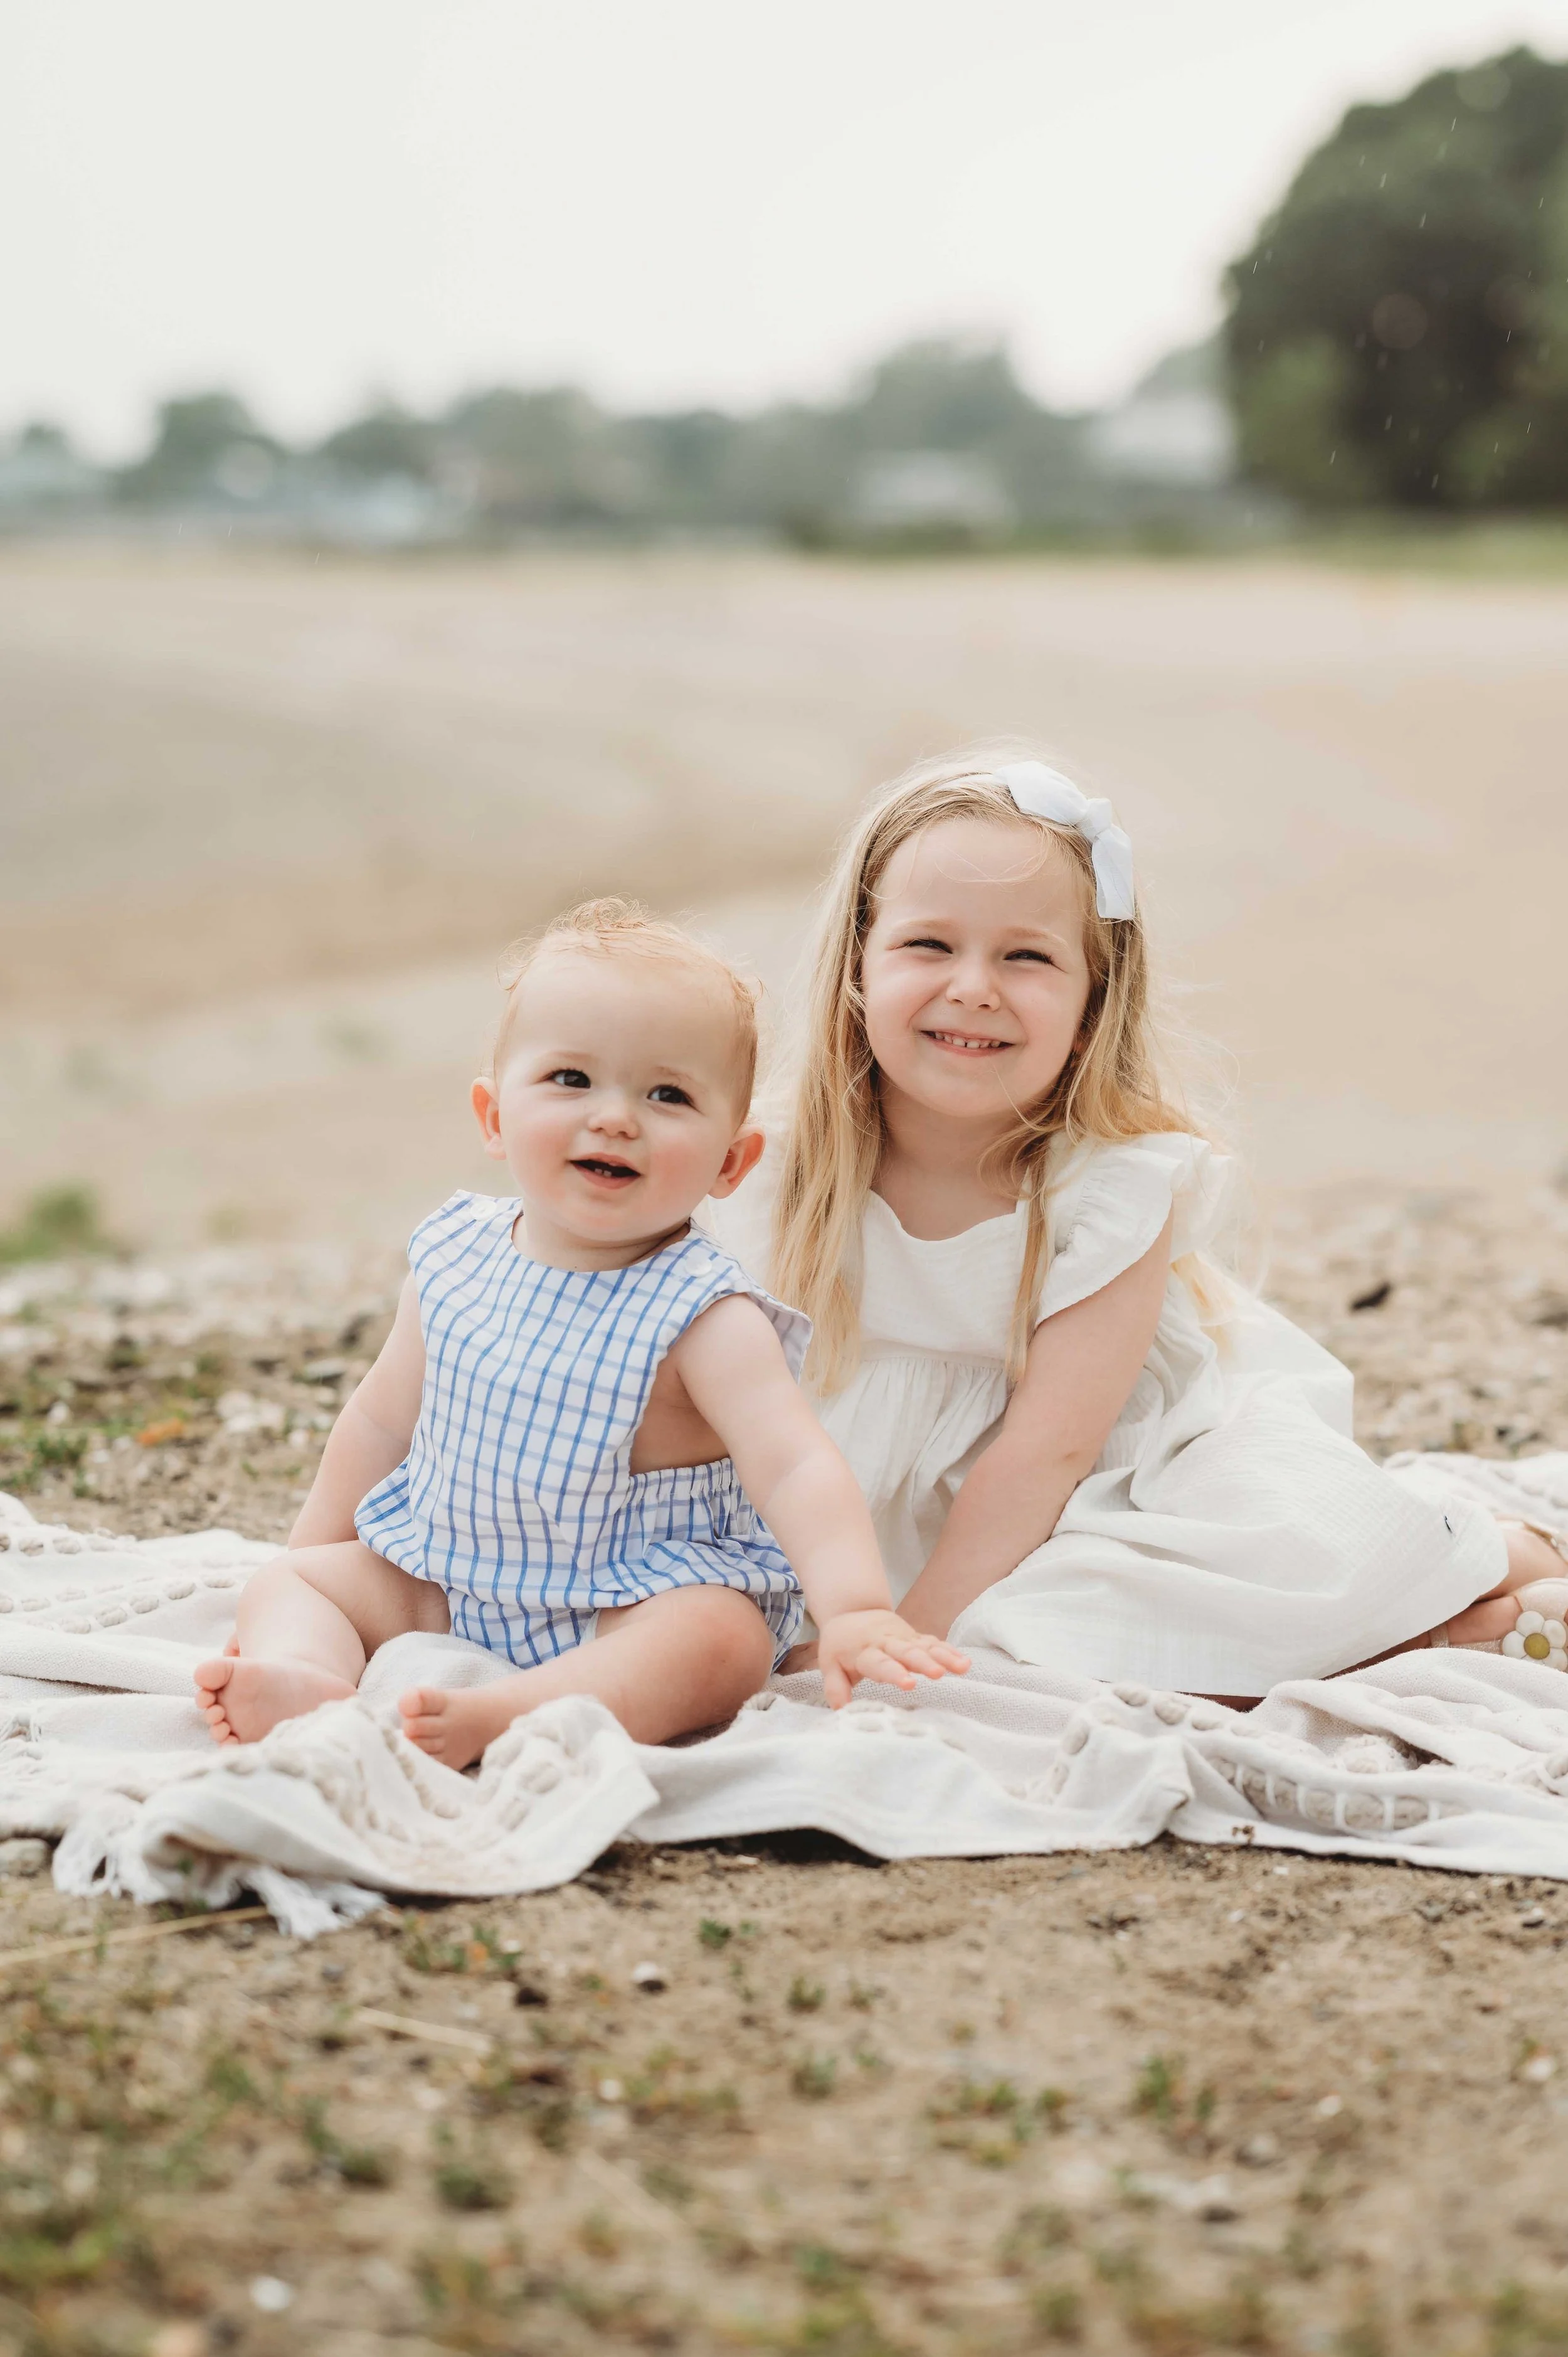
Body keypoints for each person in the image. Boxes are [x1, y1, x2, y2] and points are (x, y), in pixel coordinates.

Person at [706, 751, 1568, 1703]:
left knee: (1110, 1633)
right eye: (928, 946)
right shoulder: (773, 1171)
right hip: (854, 1510)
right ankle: (1457, 1616)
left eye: (1026, 957)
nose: (975, 987)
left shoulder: (1110, 1190)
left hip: (1109, 1485)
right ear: (859, 969)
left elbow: (1049, 1456)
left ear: (1090, 1008)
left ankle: (1487, 1585)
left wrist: (918, 1637)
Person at [194, 900, 967, 1765]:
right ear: (493, 1117)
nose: (615, 1117)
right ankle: (305, 1674)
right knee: (288, 1581)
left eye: (667, 1094)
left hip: (628, 1601)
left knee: (723, 1639)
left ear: (729, 1164)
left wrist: (856, 1605)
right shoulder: (453, 1256)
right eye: (571, 1080)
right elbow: (379, 1422)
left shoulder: (704, 1313)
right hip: (447, 1576)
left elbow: (793, 1464)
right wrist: (317, 1562)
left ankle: (517, 1711)